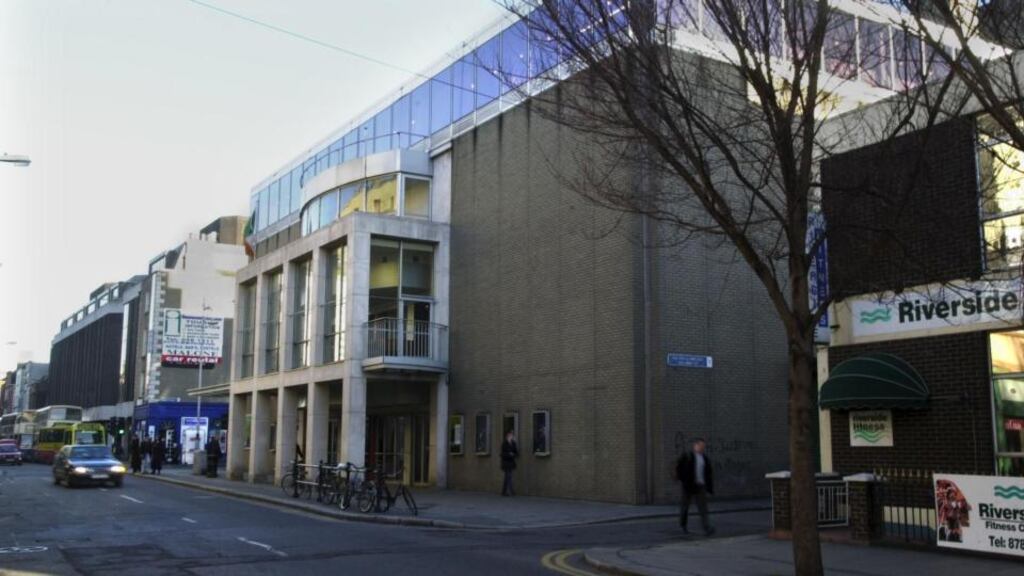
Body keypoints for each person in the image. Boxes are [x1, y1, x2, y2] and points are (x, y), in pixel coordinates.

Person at [676, 438, 714, 536]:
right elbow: (679, 468)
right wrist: (683, 480)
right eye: (701, 446)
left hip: (700, 486)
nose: (702, 448)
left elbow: (708, 473)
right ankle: (683, 525)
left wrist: (709, 487)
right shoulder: (688, 456)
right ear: (695, 446)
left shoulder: (704, 458)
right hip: (688, 486)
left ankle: (707, 527)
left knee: (703, 508)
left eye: (703, 446)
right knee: (685, 506)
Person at [500, 430, 519, 496]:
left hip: (511, 462)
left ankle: (503, 492)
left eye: (512, 436)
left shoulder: (513, 443)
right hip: (506, 462)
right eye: (510, 436)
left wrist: (513, 454)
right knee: (509, 476)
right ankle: (512, 491)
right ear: (507, 436)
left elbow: (516, 452)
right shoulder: (504, 444)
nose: (511, 437)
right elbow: (502, 454)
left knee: (507, 477)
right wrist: (509, 454)